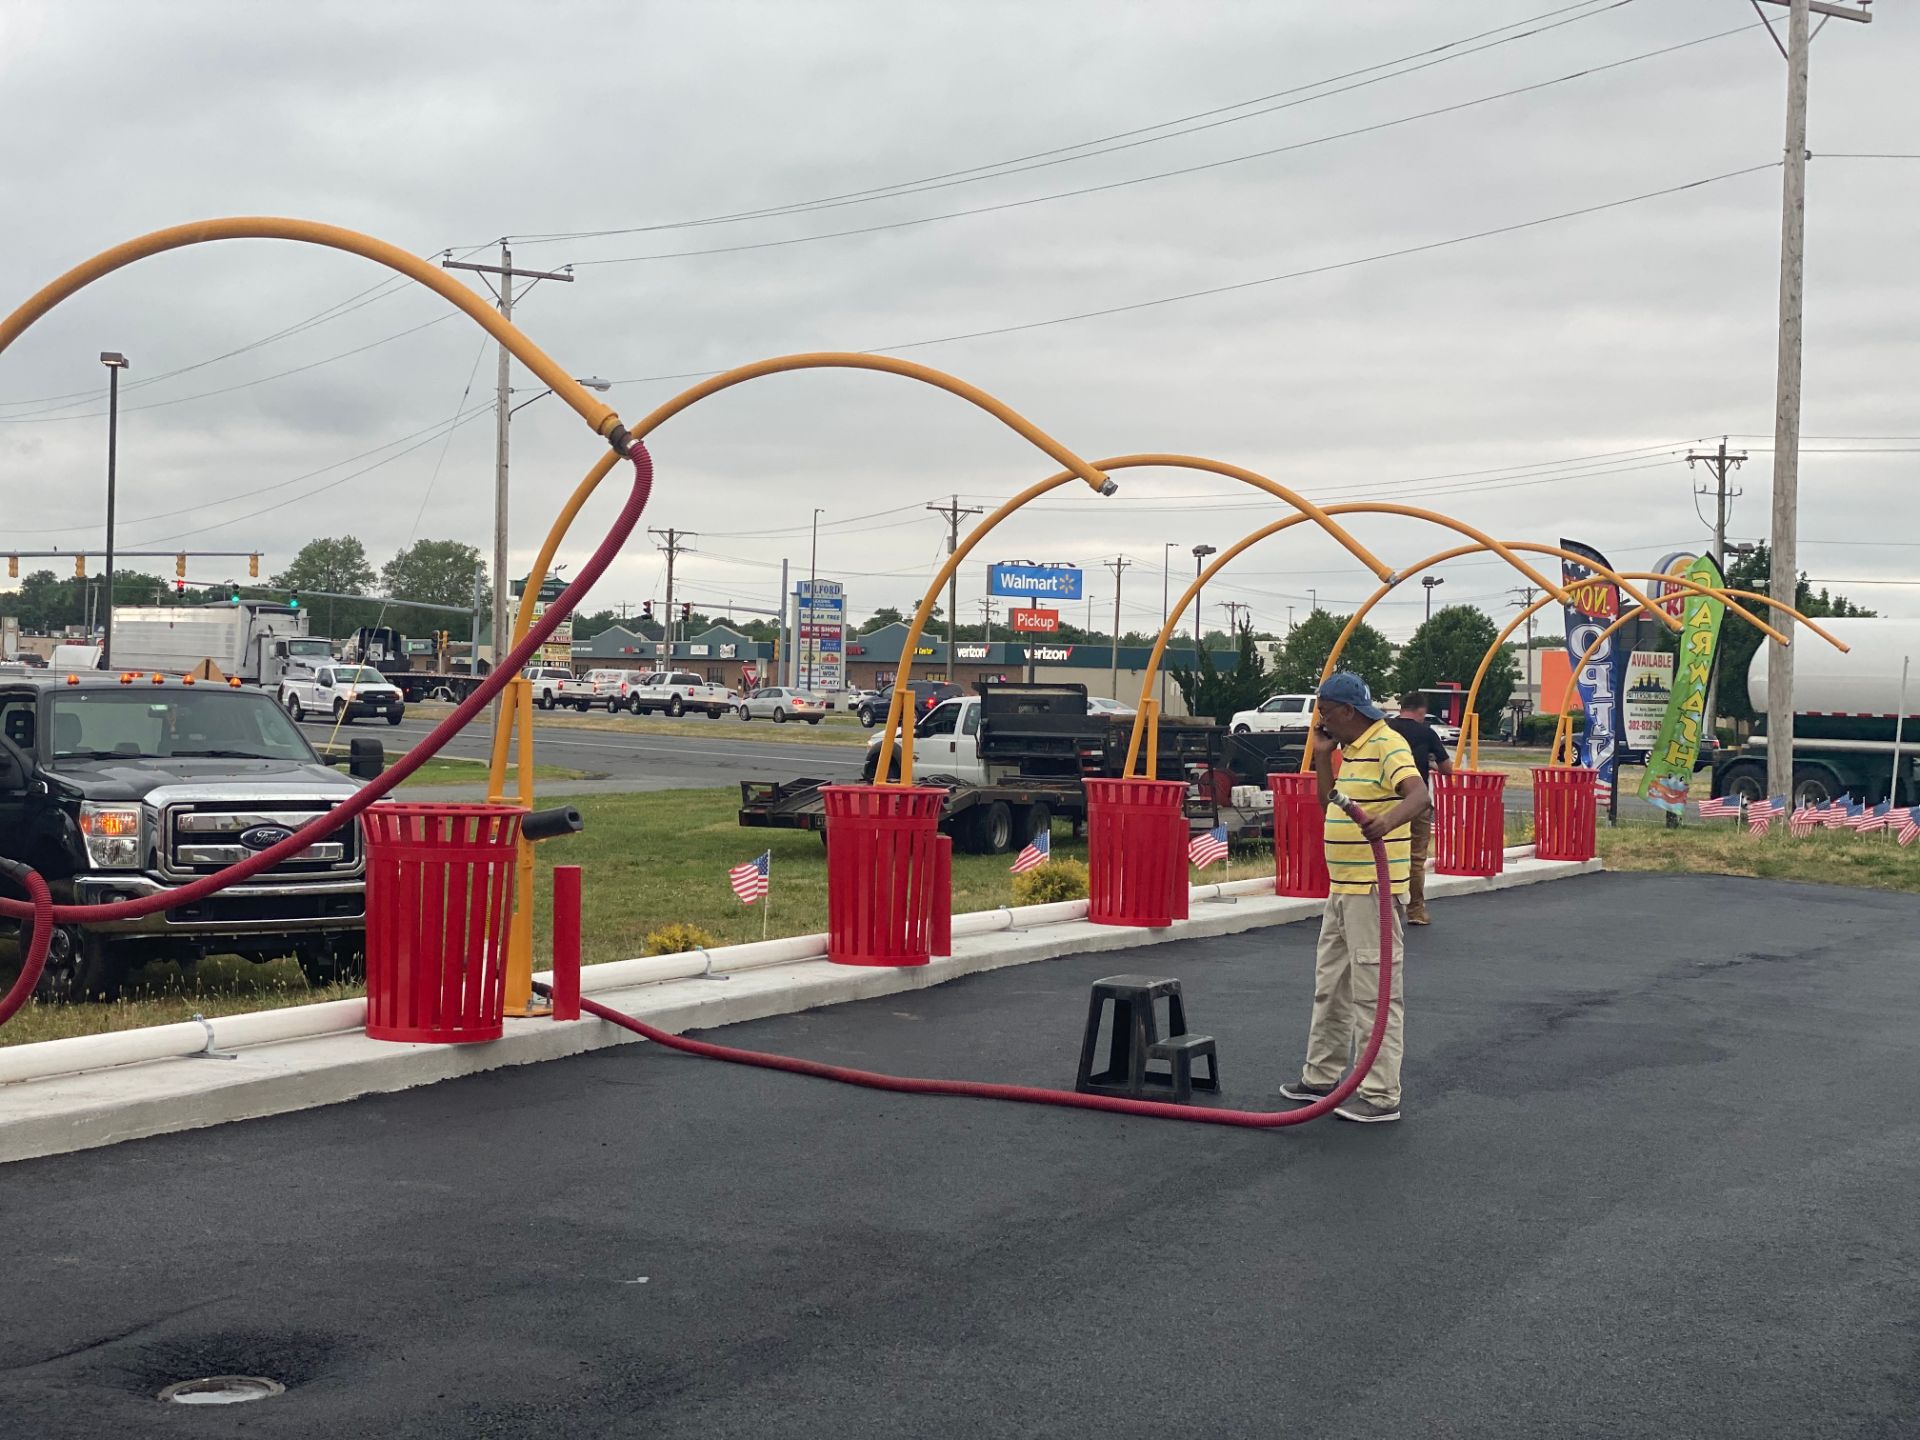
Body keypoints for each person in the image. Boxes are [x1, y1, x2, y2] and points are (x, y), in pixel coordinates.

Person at [1280, 672, 1430, 1124]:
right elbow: (1331, 804)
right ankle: (1321, 1076)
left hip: (1372, 890)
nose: (1320, 723)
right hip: (1343, 888)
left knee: (1374, 993)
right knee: (1332, 986)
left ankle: (1381, 1094)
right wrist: (1324, 758)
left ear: (1348, 711)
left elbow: (1419, 795)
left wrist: (1384, 823)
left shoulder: (1387, 744)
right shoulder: (1352, 750)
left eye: (1324, 714)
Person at [1387, 691, 1454, 926]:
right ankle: (1415, 911)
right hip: (1416, 802)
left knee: (1384, 854)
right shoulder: (1426, 732)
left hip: (1387, 802)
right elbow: (1447, 768)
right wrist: (1431, 763)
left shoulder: (1385, 729)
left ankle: (1385, 907)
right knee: (1416, 857)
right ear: (1421, 711)